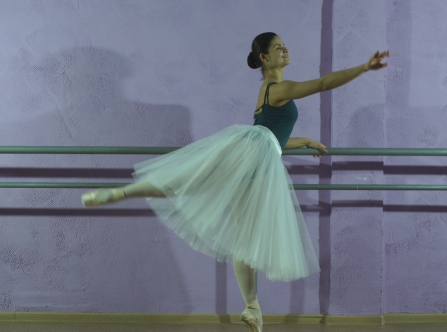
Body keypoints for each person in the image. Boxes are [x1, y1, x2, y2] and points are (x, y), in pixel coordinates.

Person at [81, 32, 388, 332]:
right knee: (237, 230)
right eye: (278, 47)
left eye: (285, 46)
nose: (285, 50)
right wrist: (363, 67)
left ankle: (119, 192)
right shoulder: (279, 88)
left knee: (194, 188)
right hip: (256, 157)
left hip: (254, 151)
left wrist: (304, 140)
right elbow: (322, 84)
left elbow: (271, 135)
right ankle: (252, 306)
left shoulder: (268, 90)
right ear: (265, 57)